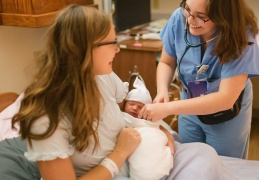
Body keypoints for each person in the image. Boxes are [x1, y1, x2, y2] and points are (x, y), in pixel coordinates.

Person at [0, 4, 230, 180]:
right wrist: (119, 154)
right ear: (85, 49)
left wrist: (159, 129)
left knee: (205, 154)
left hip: (131, 158)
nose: (118, 49)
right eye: (112, 42)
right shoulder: (46, 117)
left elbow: (123, 107)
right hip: (112, 167)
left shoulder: (103, 78)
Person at [138, 0, 259, 159]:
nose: (190, 20)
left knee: (223, 165)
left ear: (223, 16)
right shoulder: (179, 18)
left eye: (200, 16)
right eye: (187, 10)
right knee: (189, 159)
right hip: (188, 106)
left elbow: (225, 99)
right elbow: (166, 62)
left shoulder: (241, 36)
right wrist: (162, 90)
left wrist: (169, 108)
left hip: (226, 115)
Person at [121, 76, 173, 180]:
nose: (135, 108)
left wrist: (171, 143)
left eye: (140, 107)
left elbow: (160, 127)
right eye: (131, 104)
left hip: (154, 148)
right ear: (124, 105)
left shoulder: (149, 119)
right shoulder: (122, 117)